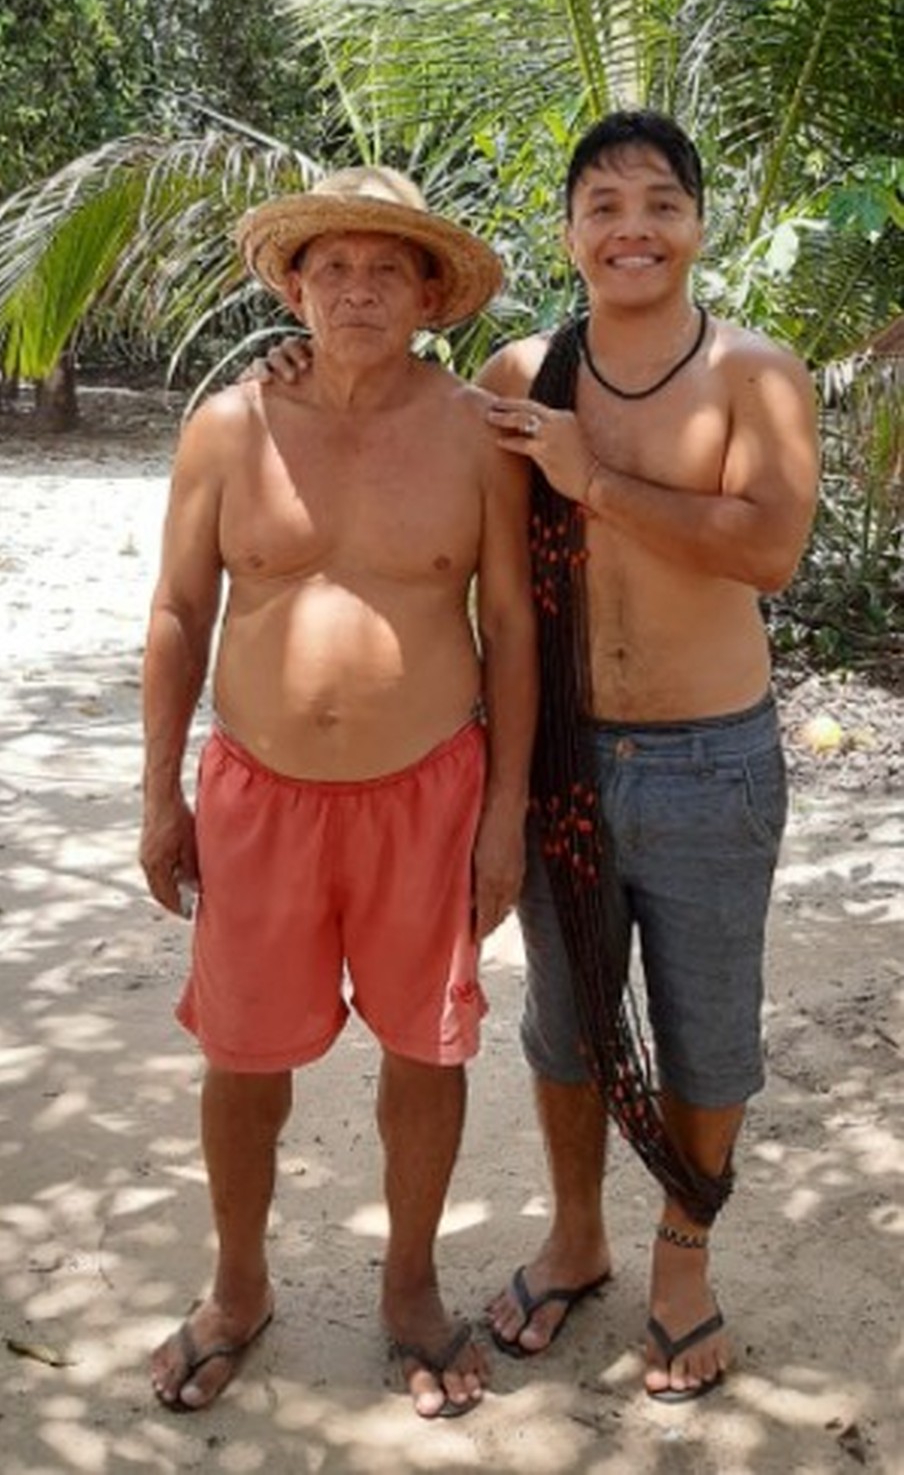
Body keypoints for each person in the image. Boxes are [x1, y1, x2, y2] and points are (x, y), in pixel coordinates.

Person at [255, 111, 819, 1404]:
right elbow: (389, 402)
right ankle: (578, 1231)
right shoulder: (515, 374)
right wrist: (306, 358)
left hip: (709, 755)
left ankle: (684, 1250)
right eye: (603, 204)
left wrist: (598, 479)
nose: (632, 226)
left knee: (708, 1032)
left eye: (659, 202)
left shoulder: (753, 373)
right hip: (558, 751)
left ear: (697, 223)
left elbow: (769, 548)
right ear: (569, 233)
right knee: (565, 1026)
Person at [139, 166, 537, 1420]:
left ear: (429, 293)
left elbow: (514, 625)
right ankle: (238, 1282)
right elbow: (178, 611)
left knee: (427, 1045)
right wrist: (160, 793)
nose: (357, 289)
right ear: (294, 285)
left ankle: (411, 1286)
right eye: (332, 267)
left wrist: (505, 812)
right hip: (257, 794)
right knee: (242, 1055)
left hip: (429, 792)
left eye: (386, 270)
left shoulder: (477, 431)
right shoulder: (228, 428)